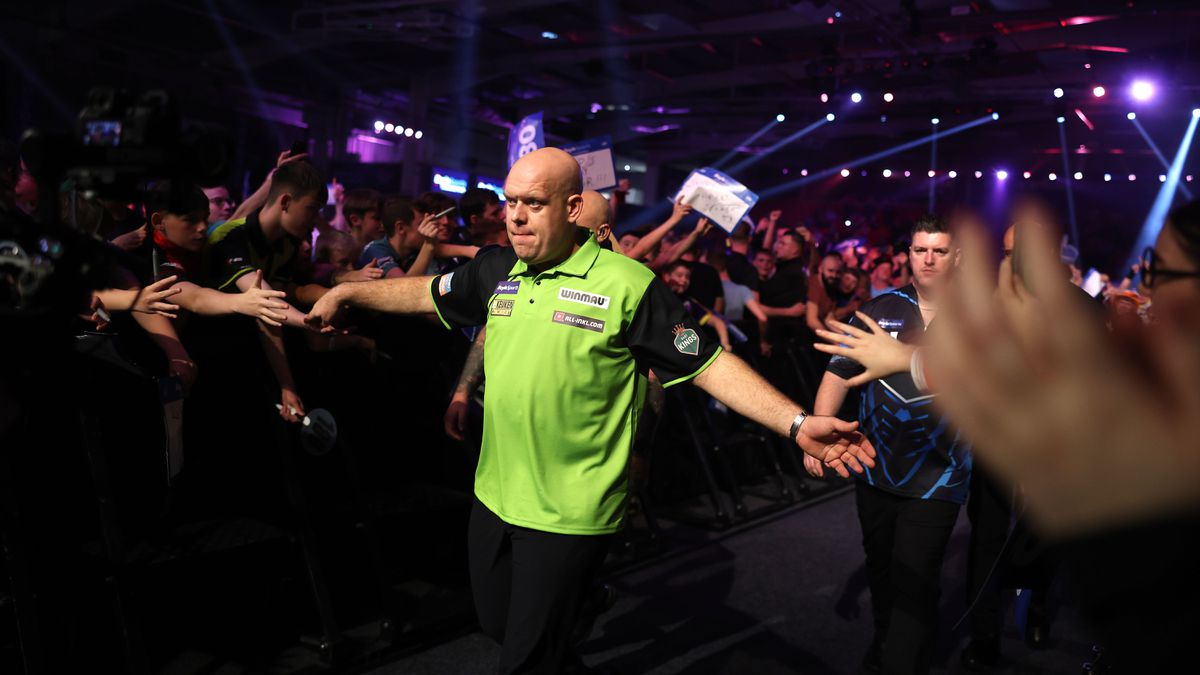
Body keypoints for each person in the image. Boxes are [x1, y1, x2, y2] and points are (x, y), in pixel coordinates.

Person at [306, 147, 876, 674]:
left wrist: (797, 423)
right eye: (510, 202)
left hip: (571, 508)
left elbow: (707, 365)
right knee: (499, 625)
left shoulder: (629, 285)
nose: (516, 216)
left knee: (524, 660)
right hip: (495, 493)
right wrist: (350, 292)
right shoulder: (496, 268)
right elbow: (424, 291)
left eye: (534, 203)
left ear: (574, 207)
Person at [808, 214, 968, 675]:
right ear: (909, 255)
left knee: (915, 578)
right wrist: (819, 428)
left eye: (939, 250)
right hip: (875, 466)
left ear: (955, 256)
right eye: (921, 250)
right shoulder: (880, 309)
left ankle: (901, 660)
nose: (930, 259)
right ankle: (885, 645)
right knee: (882, 569)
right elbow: (837, 372)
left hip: (940, 474)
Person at [208, 160, 329, 422]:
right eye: (311, 209)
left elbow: (271, 309)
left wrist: (287, 385)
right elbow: (265, 300)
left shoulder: (289, 242)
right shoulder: (230, 237)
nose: (315, 220)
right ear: (285, 201)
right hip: (216, 356)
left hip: (259, 353)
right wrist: (306, 321)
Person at [359, 196, 441, 278]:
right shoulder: (375, 249)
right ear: (400, 228)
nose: (428, 228)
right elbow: (402, 286)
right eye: (422, 224)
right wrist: (428, 245)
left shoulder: (413, 251)